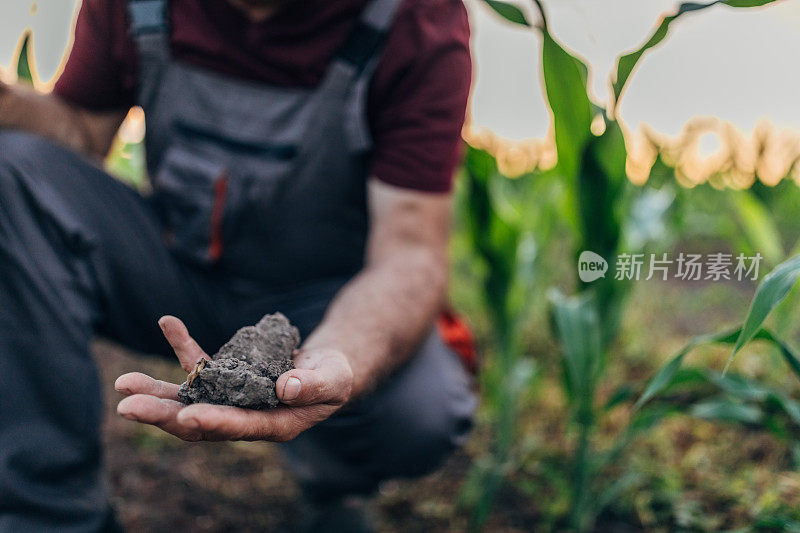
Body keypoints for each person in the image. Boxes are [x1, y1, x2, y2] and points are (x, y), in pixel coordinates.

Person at [0, 0, 476, 530]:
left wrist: (340, 360)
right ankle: (47, 514)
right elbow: (82, 129)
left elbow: (410, 252)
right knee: (9, 172)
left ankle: (331, 483)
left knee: (421, 412)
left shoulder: (415, 20)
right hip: (174, 271)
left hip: (321, 307)